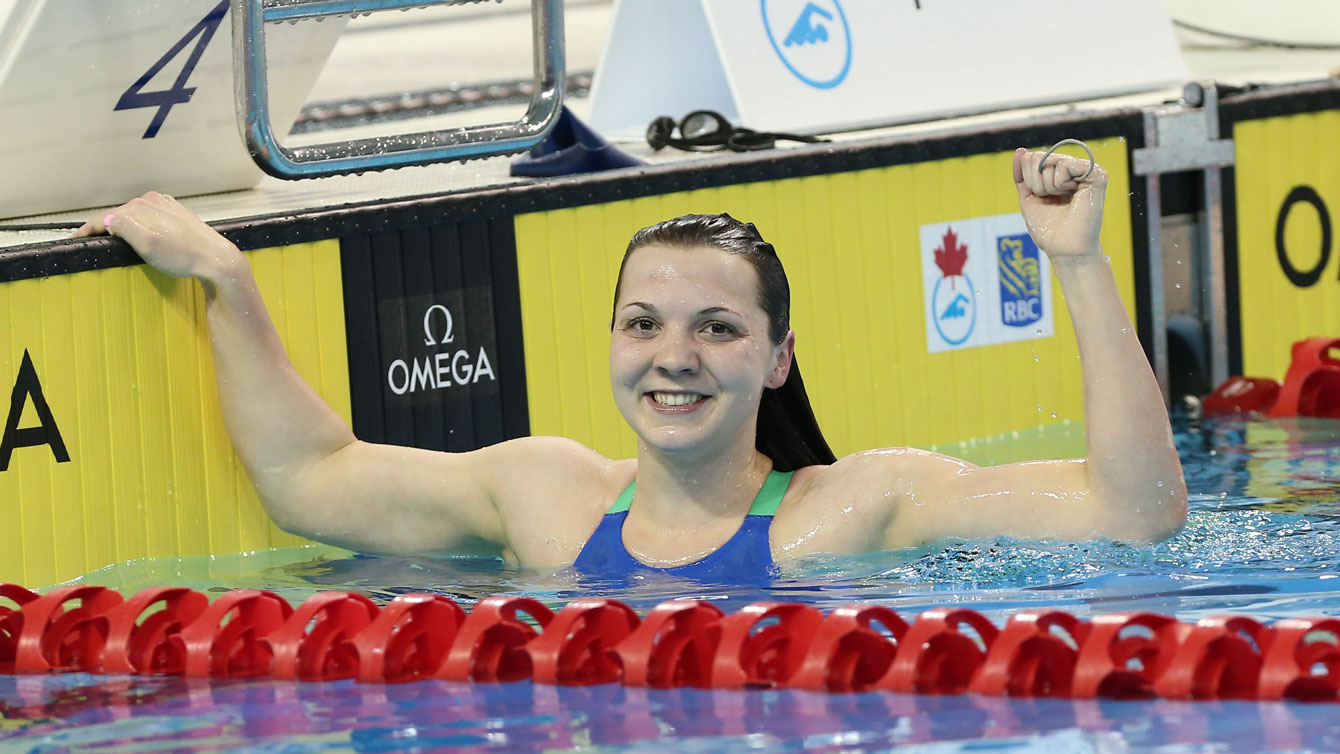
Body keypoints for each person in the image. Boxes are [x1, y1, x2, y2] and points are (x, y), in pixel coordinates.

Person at [75, 148, 1187, 580]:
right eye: (642, 324)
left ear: (776, 358)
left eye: (715, 328)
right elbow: (309, 476)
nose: (673, 359)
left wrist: (1077, 261)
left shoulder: (853, 509)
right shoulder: (543, 496)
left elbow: (1133, 515)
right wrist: (226, 279)